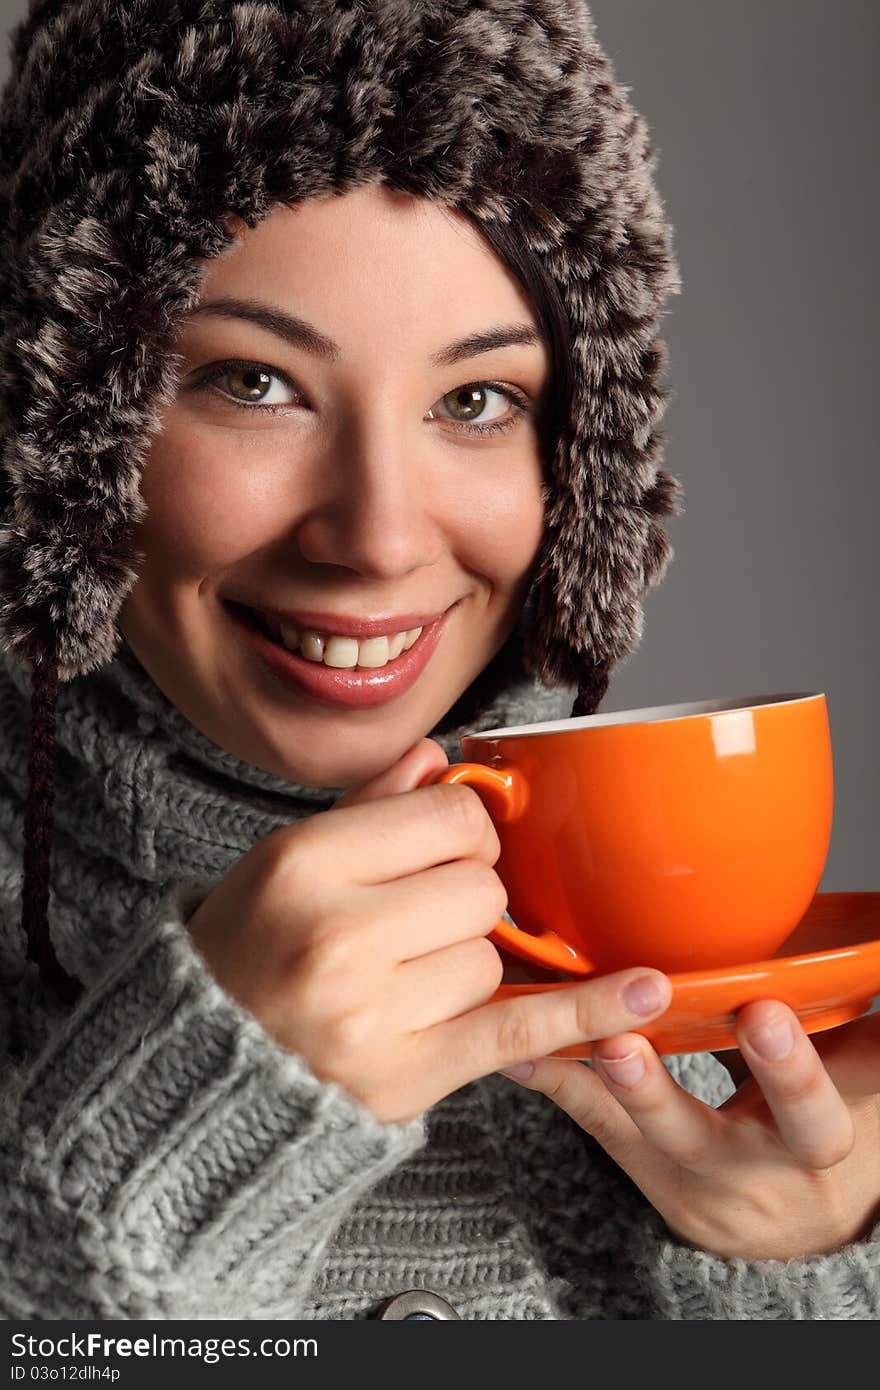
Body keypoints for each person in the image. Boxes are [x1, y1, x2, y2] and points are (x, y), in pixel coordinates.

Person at [0, 0, 877, 1322]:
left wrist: (792, 1273)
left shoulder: (723, 1027)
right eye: (255, 381)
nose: (379, 538)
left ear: (580, 467)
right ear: (67, 418)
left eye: (477, 401)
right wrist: (155, 1175)